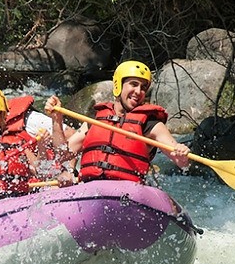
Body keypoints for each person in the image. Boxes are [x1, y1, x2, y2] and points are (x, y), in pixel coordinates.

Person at [45, 60, 190, 186]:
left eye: (143, 88)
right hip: (91, 187)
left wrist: (182, 153)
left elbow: (182, 163)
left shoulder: (152, 124)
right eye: (133, 84)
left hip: (129, 193)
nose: (138, 91)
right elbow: (62, 156)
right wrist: (57, 120)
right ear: (118, 85)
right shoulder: (96, 120)